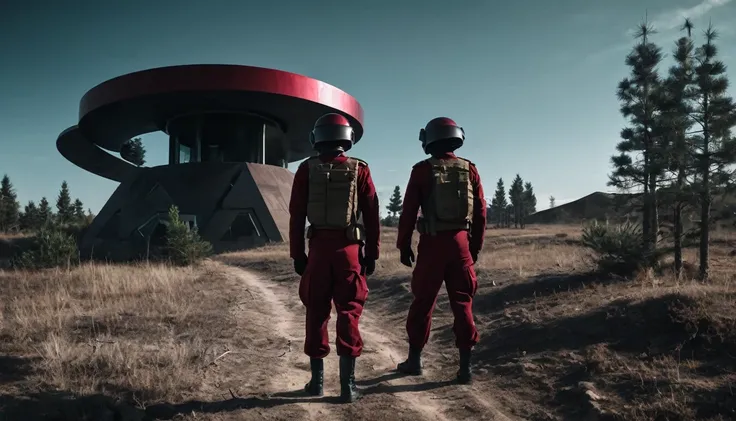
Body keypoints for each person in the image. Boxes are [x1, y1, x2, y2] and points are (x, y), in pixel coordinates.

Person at [288, 112, 380, 403]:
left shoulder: (305, 169)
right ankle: (348, 387)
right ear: (347, 138)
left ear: (318, 138)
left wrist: (297, 254)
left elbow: (296, 214)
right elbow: (372, 214)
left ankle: (316, 383)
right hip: (349, 252)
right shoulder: (360, 169)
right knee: (349, 312)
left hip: (317, 251)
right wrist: (372, 252)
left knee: (316, 313)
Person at [395, 117, 487, 384]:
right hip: (461, 245)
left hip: (432, 245)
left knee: (423, 302)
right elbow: (481, 212)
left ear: (430, 140)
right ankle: (466, 369)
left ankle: (414, 361)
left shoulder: (422, 170)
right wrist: (475, 246)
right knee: (463, 303)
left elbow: (409, 211)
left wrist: (403, 245)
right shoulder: (470, 169)